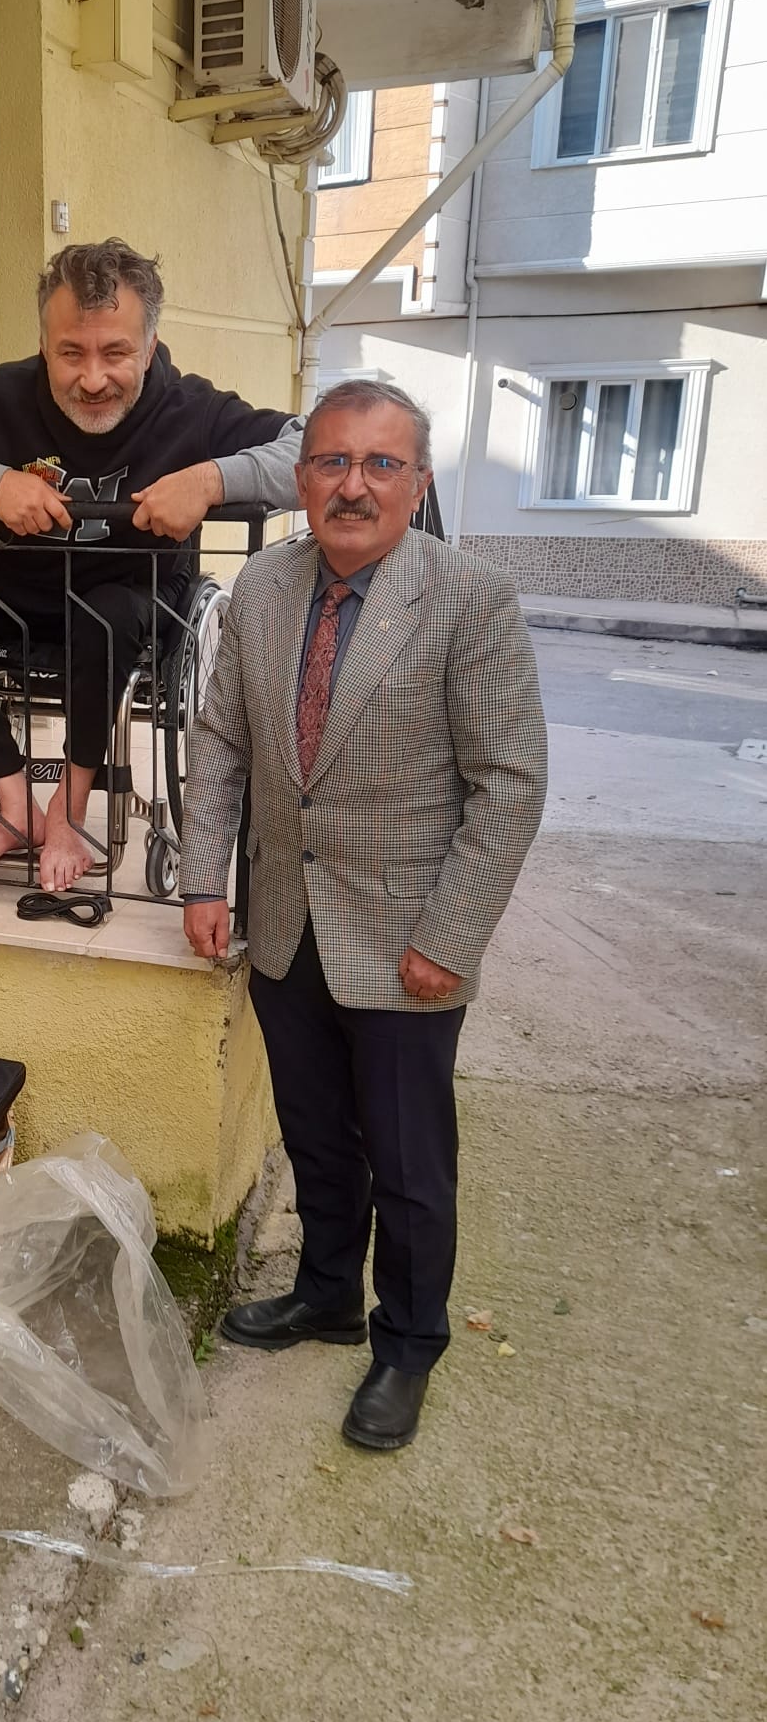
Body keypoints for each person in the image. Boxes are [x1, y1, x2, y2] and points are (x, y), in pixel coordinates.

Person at [180, 379, 547, 1452]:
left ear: (417, 483)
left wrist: (450, 935)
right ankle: (328, 1292)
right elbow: (223, 740)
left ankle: (409, 1344)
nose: (354, 484)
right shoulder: (262, 586)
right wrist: (204, 880)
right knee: (315, 1135)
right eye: (333, 461)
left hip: (407, 943)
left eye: (381, 463)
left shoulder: (469, 598)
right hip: (284, 922)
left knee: (409, 1164)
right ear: (302, 480)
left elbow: (510, 783)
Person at [0, 239, 302, 891]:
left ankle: (68, 812)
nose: (93, 378)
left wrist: (212, 479)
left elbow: (313, 453)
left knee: (104, 617)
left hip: (134, 598)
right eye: (71, 353)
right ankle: (14, 805)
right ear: (45, 346)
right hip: (19, 590)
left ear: (150, 347)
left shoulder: (191, 409)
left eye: (116, 353)